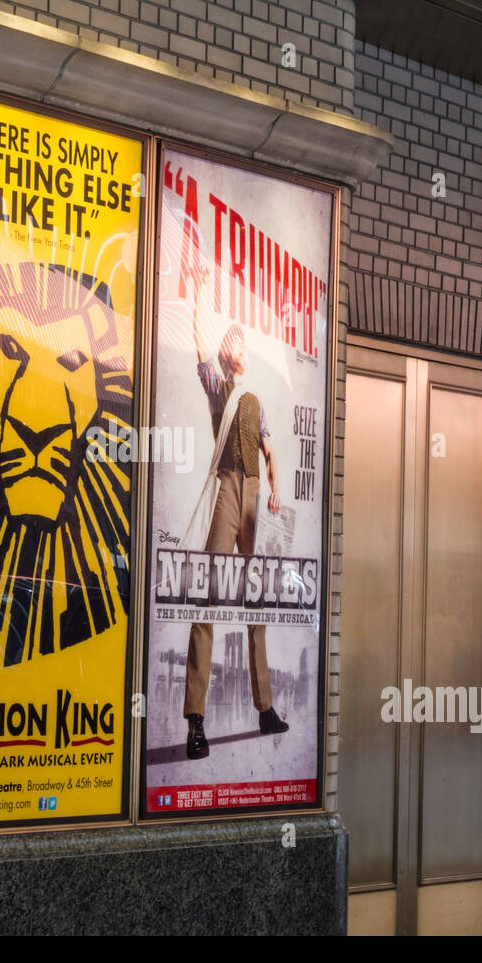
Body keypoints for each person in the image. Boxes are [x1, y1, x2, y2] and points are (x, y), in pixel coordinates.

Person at [184, 309, 289, 761]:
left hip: (255, 494)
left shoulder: (255, 400)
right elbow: (198, 344)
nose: (238, 347)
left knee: (257, 599)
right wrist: (197, 302)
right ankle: (196, 720)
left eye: (241, 342)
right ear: (228, 355)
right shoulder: (219, 389)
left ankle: (264, 708)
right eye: (233, 343)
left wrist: (275, 486)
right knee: (209, 592)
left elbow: (269, 448)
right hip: (228, 486)